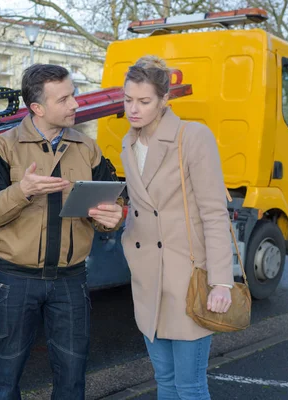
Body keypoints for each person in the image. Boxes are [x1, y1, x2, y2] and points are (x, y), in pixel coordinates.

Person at [0, 63, 124, 400]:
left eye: (74, 95)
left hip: (71, 281)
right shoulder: (2, 147)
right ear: (37, 108)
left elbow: (109, 205)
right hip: (14, 281)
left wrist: (113, 217)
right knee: (4, 377)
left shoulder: (88, 148)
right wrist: (22, 190)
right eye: (65, 99)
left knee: (72, 377)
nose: (75, 105)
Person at [119, 55, 234, 400]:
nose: (133, 109)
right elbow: (139, 209)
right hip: (147, 280)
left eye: (144, 101)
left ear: (165, 99)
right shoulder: (128, 143)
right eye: (127, 100)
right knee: (164, 381)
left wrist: (221, 282)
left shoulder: (193, 136)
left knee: (190, 386)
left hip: (187, 280)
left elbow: (214, 213)